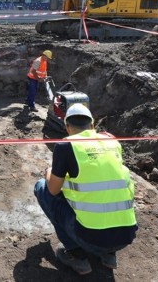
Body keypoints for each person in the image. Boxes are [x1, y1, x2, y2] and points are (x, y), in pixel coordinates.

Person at [33, 104, 137, 275]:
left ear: (67, 127)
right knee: (108, 194)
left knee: (42, 187)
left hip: (92, 240)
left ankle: (75, 254)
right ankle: (109, 255)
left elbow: (52, 190)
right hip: (125, 237)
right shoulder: (111, 141)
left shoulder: (66, 146)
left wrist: (49, 173)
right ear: (92, 124)